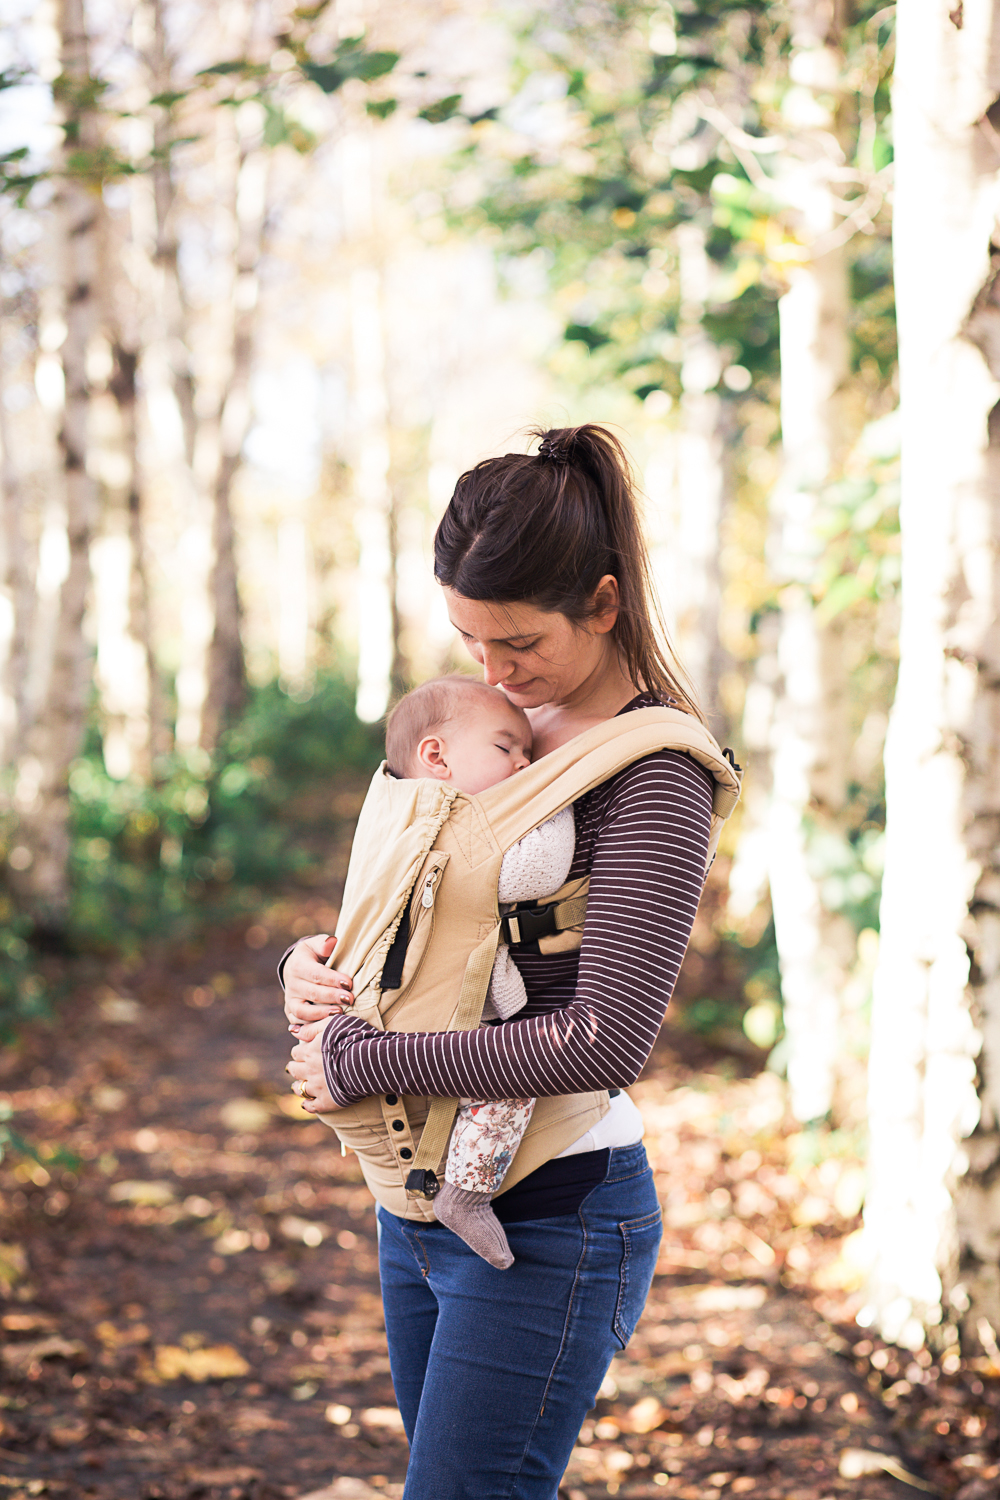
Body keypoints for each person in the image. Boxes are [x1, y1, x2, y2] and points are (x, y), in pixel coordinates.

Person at [284, 424, 715, 1500]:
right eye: (470, 641)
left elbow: (606, 1038)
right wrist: (316, 969)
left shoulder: (652, 773)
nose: (493, 674)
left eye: (517, 643)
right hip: (415, 1199)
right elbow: (413, 902)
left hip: (554, 1212)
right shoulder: (482, 724)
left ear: (604, 605)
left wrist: (371, 1063)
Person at [297, 671, 578, 1271]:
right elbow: (537, 874)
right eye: (509, 749)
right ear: (436, 756)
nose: (527, 765)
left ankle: (455, 1186)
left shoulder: (392, 813)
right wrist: (558, 800)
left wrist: (299, 959)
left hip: (374, 1025)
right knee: (510, 1077)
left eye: (531, 754)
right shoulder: (459, 825)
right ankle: (468, 1192)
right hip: (411, 1032)